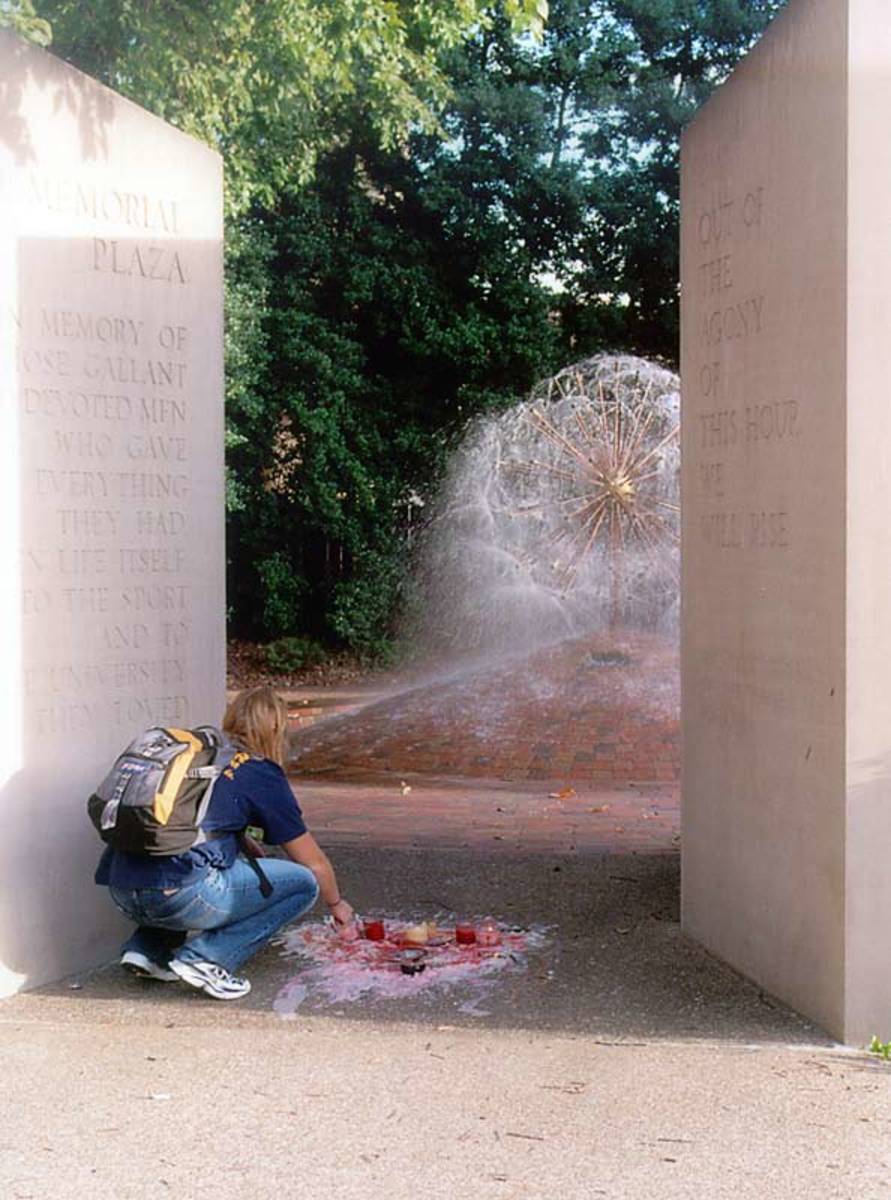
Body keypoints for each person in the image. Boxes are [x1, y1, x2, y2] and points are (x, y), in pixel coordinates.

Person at [94, 686, 354, 1000]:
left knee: (188, 860)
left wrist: (241, 843)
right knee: (303, 884)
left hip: (122, 891)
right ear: (275, 727)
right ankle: (207, 959)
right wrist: (337, 904)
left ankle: (147, 950)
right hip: (179, 898)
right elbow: (313, 862)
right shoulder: (258, 771)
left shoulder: (204, 759)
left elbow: (197, 824)